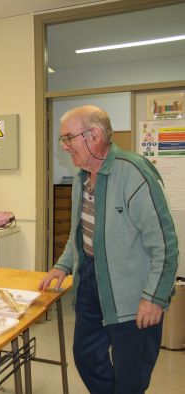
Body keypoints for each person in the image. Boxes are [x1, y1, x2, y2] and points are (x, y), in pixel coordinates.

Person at [39, 105, 179, 394]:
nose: (64, 147)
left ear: (94, 135)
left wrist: (154, 297)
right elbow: (80, 234)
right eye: (63, 139)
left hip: (133, 291)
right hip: (91, 278)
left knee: (131, 375)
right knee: (86, 355)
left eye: (68, 138)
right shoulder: (82, 177)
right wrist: (62, 266)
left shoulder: (134, 174)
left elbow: (165, 244)